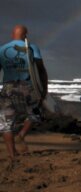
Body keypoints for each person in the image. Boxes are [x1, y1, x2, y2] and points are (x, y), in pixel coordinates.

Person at [0, 25, 48, 162]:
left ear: (12, 34)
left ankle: (12, 155)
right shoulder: (32, 48)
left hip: (8, 88)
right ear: (25, 35)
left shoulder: (2, 49)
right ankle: (21, 134)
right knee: (36, 113)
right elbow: (41, 70)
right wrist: (44, 89)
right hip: (26, 87)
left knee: (5, 123)